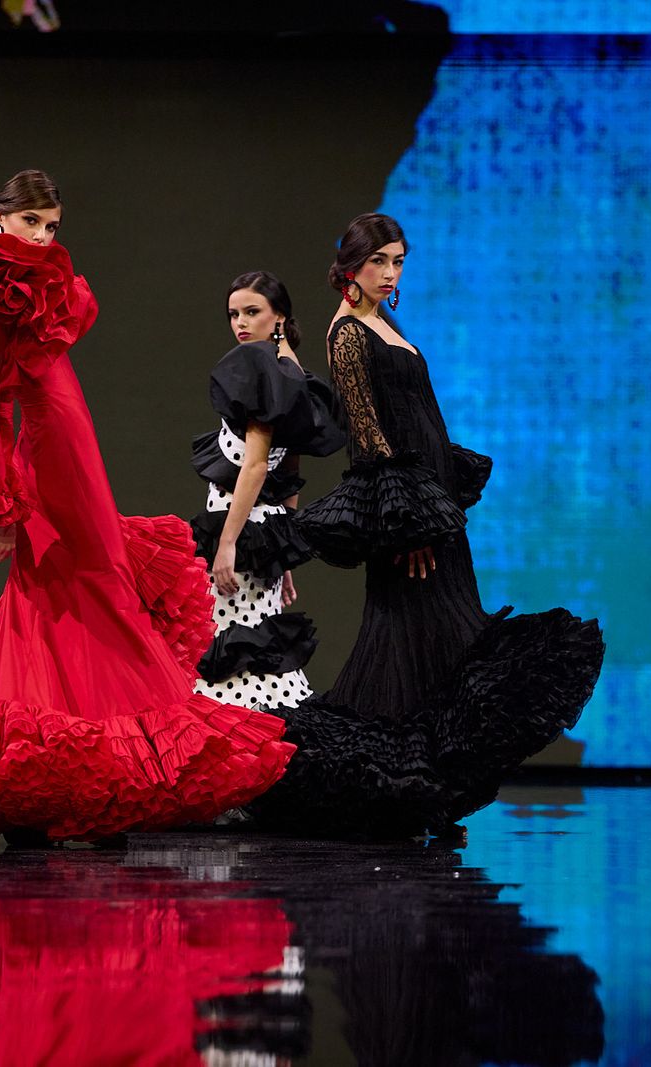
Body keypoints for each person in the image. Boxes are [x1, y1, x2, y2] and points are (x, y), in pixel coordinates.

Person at [0, 171, 294, 841]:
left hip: (72, 452)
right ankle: (60, 774)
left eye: (52, 226)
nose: (45, 238)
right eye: (31, 224)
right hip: (48, 461)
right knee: (73, 596)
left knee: (79, 599)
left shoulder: (32, 285)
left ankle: (79, 773)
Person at [246, 213, 606, 837]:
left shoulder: (384, 323)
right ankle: (385, 789)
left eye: (399, 262)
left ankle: (421, 793)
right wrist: (405, 525)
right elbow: (369, 438)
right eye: (379, 261)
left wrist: (431, 508)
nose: (390, 273)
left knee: (433, 644)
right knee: (408, 643)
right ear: (350, 267)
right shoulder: (349, 334)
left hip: (429, 507)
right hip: (405, 514)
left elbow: (417, 415)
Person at [190, 271, 346, 711]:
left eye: (252, 312)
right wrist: (284, 554)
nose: (240, 322)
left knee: (232, 649)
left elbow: (257, 468)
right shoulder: (291, 370)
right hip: (263, 536)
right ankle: (268, 747)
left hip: (238, 530)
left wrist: (226, 543)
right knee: (254, 641)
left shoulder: (262, 371)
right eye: (234, 314)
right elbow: (289, 474)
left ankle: (246, 752)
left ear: (279, 317)